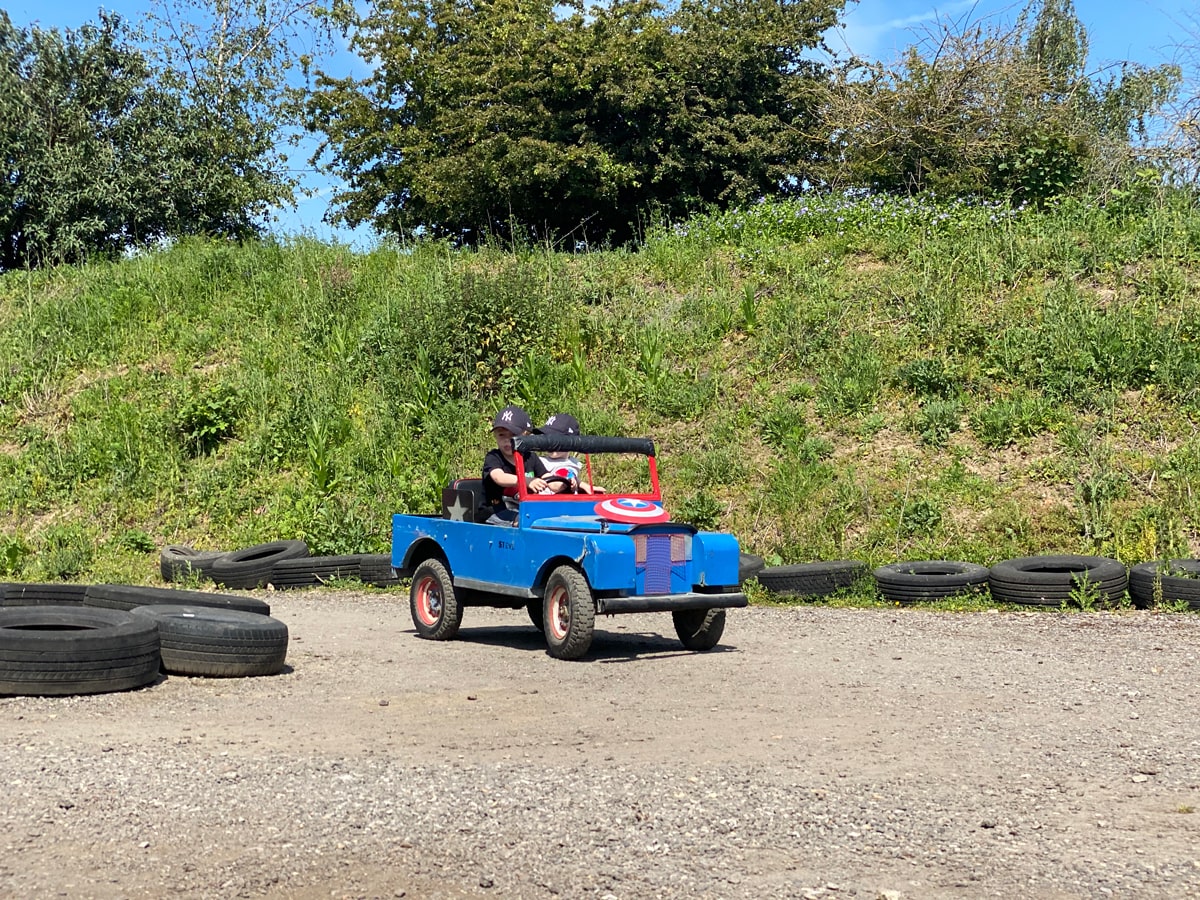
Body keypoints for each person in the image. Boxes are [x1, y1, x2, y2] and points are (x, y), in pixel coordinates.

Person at [482, 405, 551, 524]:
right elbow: (499, 477)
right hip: (496, 510)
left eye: (513, 435)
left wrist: (565, 483)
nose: (507, 440)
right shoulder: (494, 457)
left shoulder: (530, 457)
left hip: (525, 510)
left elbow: (547, 479)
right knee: (523, 520)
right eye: (501, 435)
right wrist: (526, 480)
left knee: (546, 517)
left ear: (526, 436)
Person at [537, 413, 602, 494]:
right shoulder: (539, 459)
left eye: (556, 440)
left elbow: (561, 481)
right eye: (547, 439)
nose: (551, 444)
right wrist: (583, 485)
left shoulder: (569, 465)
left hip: (553, 504)